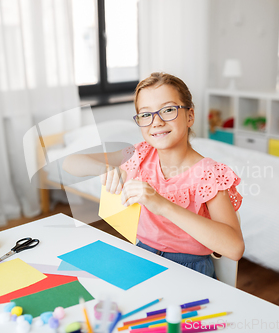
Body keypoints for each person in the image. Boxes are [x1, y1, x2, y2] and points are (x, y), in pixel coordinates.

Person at [63, 72, 244, 278]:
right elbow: (70, 162)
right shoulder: (139, 154)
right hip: (141, 255)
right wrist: (105, 169)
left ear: (190, 116)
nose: (156, 122)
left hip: (190, 270)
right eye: (146, 114)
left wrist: (163, 205)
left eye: (168, 110)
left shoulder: (210, 174)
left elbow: (234, 248)